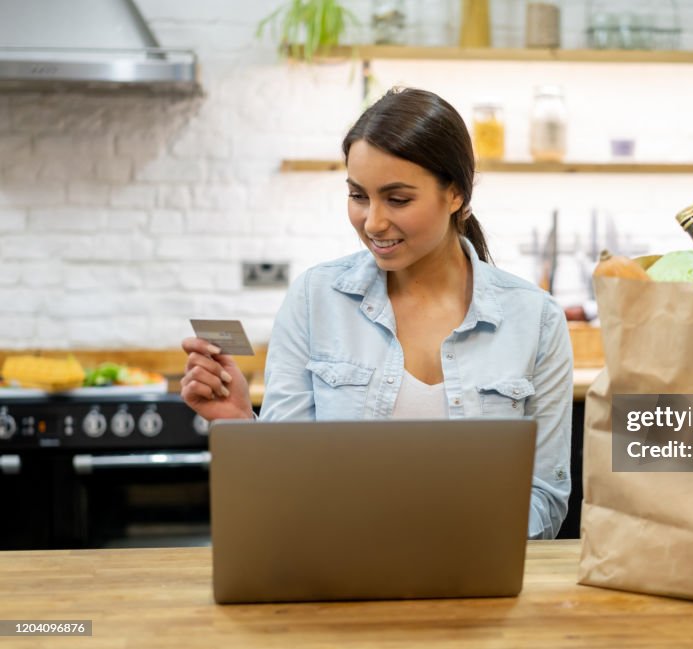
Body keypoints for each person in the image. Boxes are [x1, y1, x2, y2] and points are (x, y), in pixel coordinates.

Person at [181, 87, 573, 539]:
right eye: (358, 196)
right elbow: (285, 490)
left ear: (457, 196)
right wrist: (240, 426)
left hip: (478, 589)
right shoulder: (314, 299)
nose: (372, 222)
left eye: (398, 199)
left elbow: (544, 497)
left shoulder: (536, 319)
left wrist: (449, 543)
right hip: (336, 579)